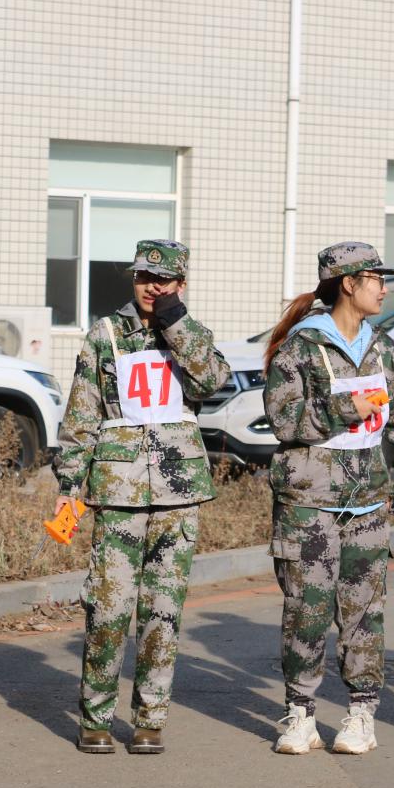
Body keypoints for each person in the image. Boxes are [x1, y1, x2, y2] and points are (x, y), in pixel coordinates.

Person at [52, 239, 230, 754]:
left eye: (164, 279)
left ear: (181, 283)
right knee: (107, 607)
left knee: (162, 611)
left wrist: (176, 326)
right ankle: (95, 717)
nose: (153, 287)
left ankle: (150, 718)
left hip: (178, 491)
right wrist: (69, 486)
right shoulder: (105, 334)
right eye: (144, 278)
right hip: (118, 490)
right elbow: (82, 413)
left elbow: (213, 382)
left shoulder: (193, 334)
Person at [262, 242, 394, 755]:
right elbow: (284, 421)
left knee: (364, 613)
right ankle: (300, 715)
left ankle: (361, 715)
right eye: (376, 279)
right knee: (306, 611)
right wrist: (346, 408)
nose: (384, 289)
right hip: (309, 502)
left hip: (368, 503)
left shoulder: (383, 348)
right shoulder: (302, 347)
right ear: (349, 284)